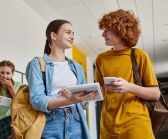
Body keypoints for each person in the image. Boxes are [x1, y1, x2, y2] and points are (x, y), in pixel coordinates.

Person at [26, 19, 98, 139]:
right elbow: (37, 101)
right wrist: (69, 100)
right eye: (68, 32)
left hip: (77, 121)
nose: (72, 37)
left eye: (73, 33)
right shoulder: (37, 64)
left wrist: (85, 96)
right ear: (53, 35)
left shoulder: (78, 67)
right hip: (50, 123)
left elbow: (83, 105)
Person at [96, 9, 160, 139]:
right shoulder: (101, 58)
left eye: (107, 29)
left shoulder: (139, 55)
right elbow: (101, 91)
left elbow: (155, 94)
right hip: (108, 127)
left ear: (121, 30)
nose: (103, 34)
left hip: (136, 126)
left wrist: (130, 87)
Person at [0, 60, 22, 139]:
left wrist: (10, 87)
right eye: (2, 73)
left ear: (12, 73)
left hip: (17, 120)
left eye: (8, 73)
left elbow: (21, 104)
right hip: (3, 122)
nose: (5, 76)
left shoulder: (19, 85)